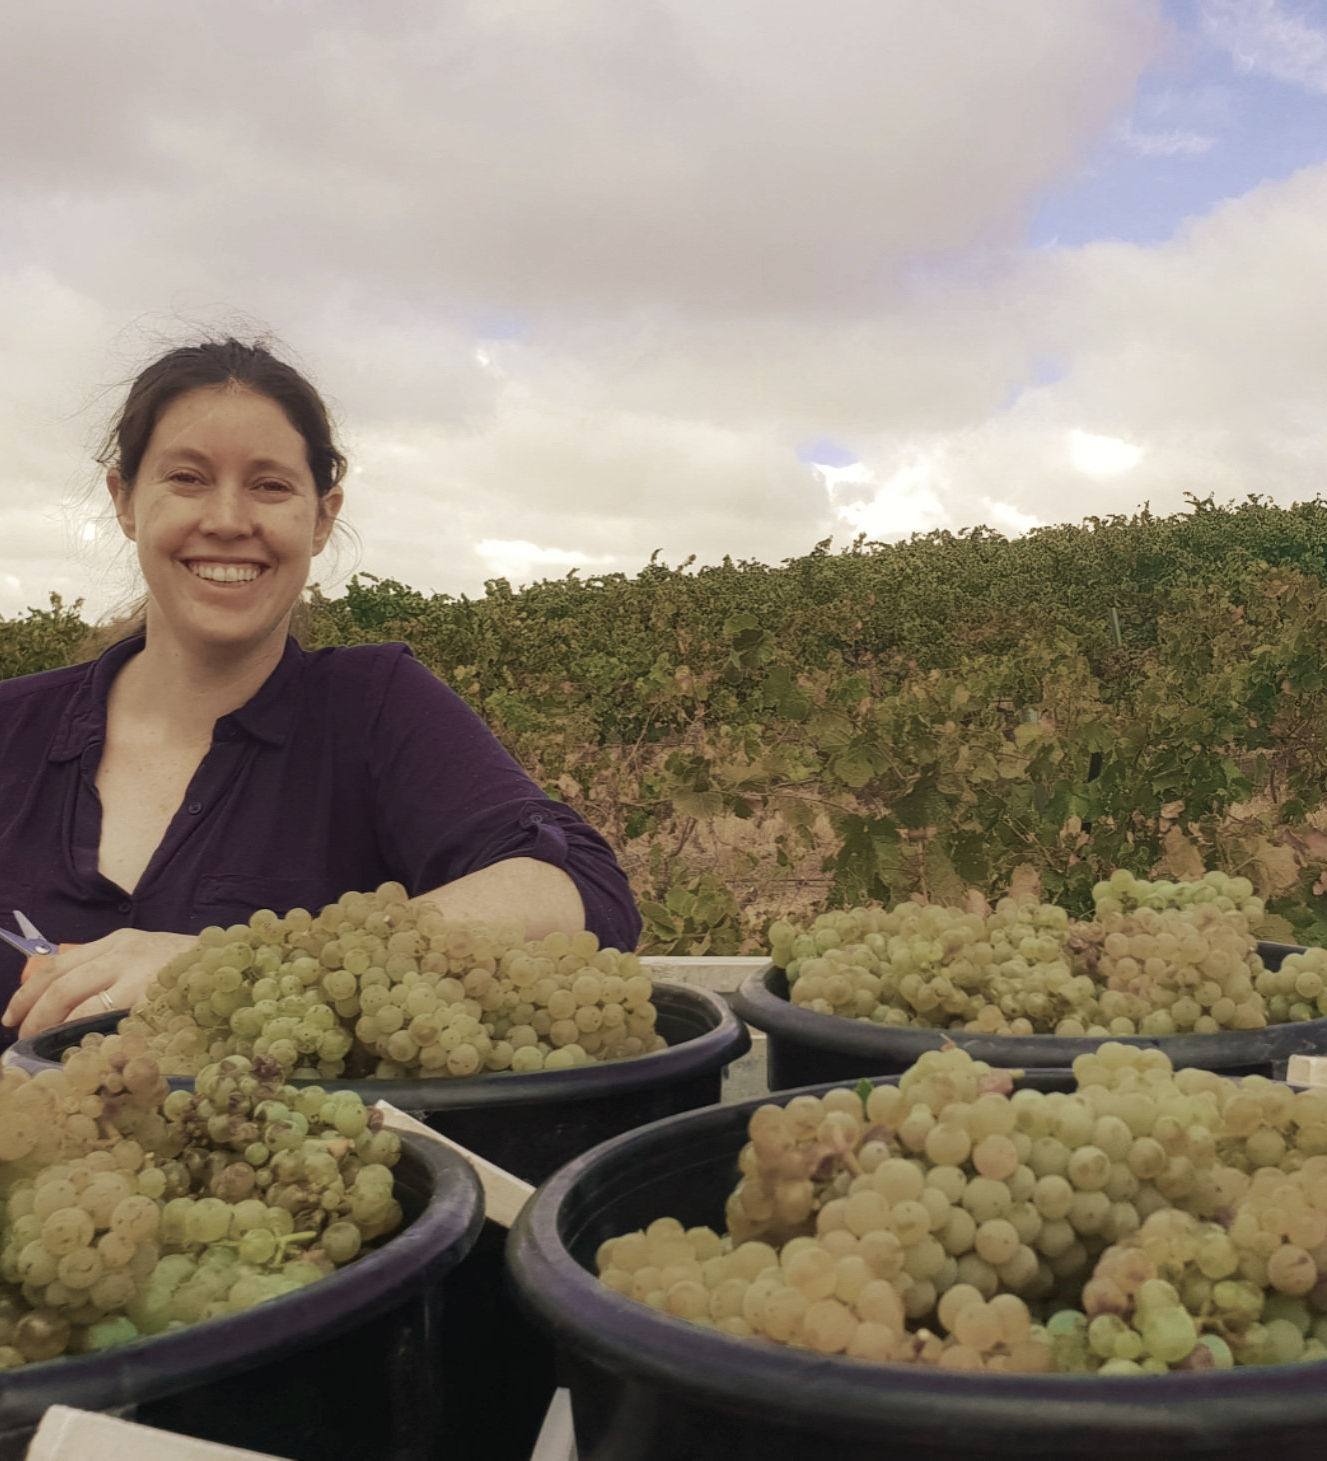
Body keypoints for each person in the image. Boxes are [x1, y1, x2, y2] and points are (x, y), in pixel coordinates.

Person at [0, 337, 641, 1044]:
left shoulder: (371, 707)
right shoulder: (11, 729)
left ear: (322, 516)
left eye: (270, 485)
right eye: (187, 477)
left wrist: (233, 963)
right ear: (125, 501)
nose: (226, 519)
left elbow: (579, 890)